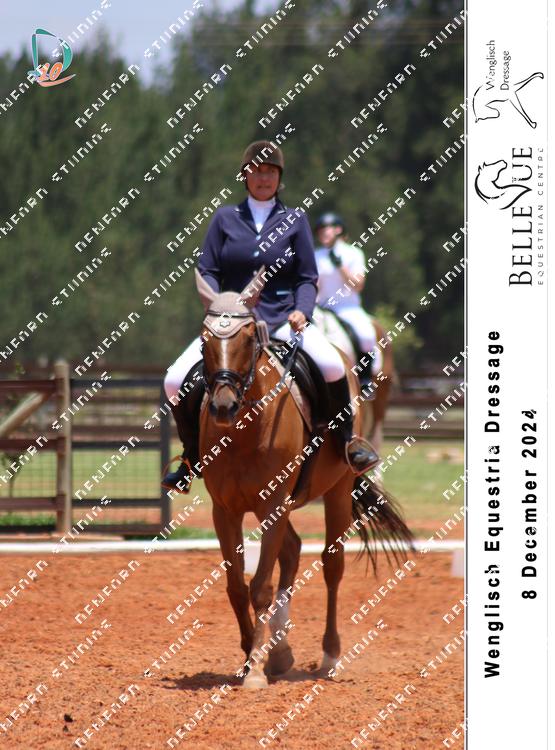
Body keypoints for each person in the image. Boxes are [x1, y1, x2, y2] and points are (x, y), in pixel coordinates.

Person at [162, 142, 379, 492]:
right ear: (245, 176)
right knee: (174, 381)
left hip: (281, 317)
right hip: (233, 323)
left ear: (279, 178)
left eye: (270, 172)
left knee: (333, 366)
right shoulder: (225, 219)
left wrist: (302, 310)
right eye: (256, 171)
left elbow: (306, 276)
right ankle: (190, 458)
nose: (263, 178)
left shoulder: (294, 220)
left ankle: (348, 443)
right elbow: (208, 269)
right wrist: (219, 304)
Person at [313, 212, 379, 381]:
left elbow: (358, 285)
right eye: (320, 230)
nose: (322, 233)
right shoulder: (316, 255)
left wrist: (340, 266)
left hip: (347, 307)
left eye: (326, 229)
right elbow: (315, 285)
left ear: (338, 230)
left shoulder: (353, 253)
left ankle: (365, 379)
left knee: (366, 336)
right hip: (323, 308)